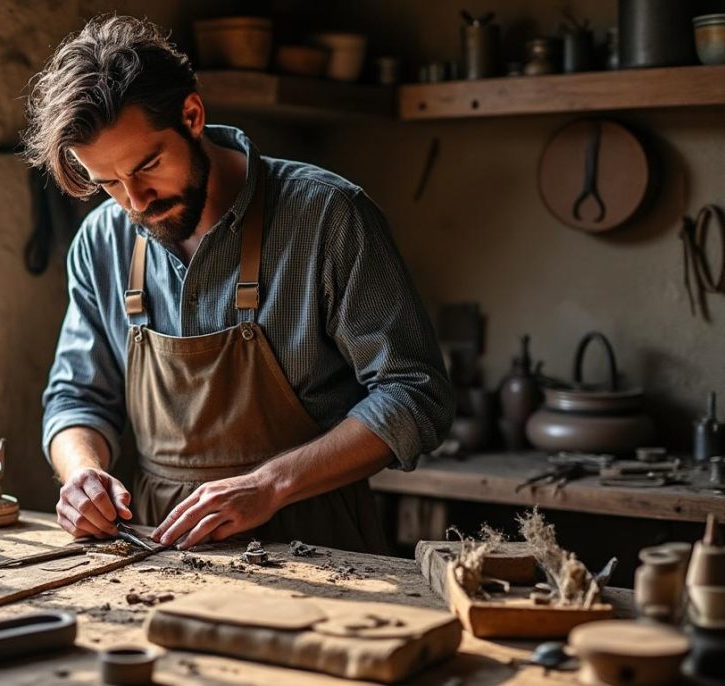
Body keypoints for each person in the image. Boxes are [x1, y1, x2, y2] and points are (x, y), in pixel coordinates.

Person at [24, 15, 453, 553]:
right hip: (161, 548)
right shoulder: (100, 242)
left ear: (192, 114)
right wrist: (81, 474)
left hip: (316, 539)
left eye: (148, 166)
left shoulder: (327, 215)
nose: (135, 201)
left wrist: (268, 486)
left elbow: (416, 394)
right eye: (108, 182)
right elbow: (76, 396)